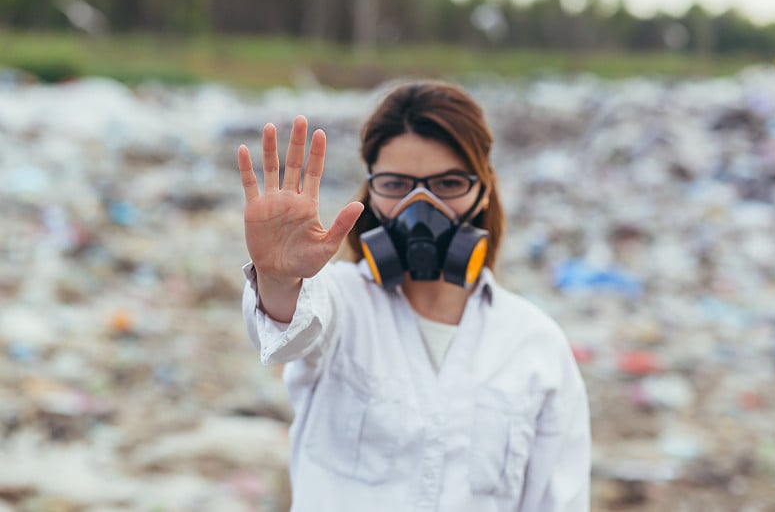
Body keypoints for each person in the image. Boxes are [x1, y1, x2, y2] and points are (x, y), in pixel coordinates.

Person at [237, 80, 590, 512]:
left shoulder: (536, 345)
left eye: (447, 183)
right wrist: (277, 277)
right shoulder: (339, 300)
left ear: (482, 189)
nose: (420, 206)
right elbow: (287, 331)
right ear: (371, 190)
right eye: (396, 184)